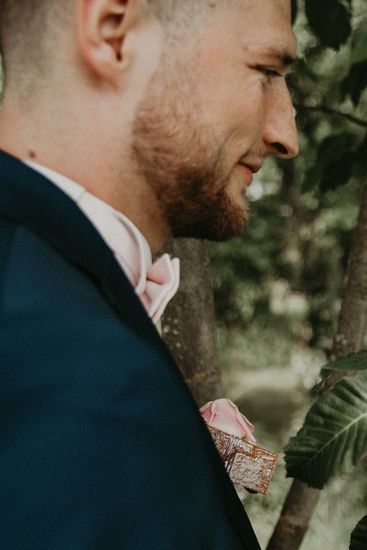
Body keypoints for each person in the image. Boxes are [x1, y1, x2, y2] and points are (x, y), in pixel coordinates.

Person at [0, 0, 298, 548]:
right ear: (115, 35)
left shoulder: (52, 291)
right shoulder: (71, 377)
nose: (286, 135)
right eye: (266, 72)